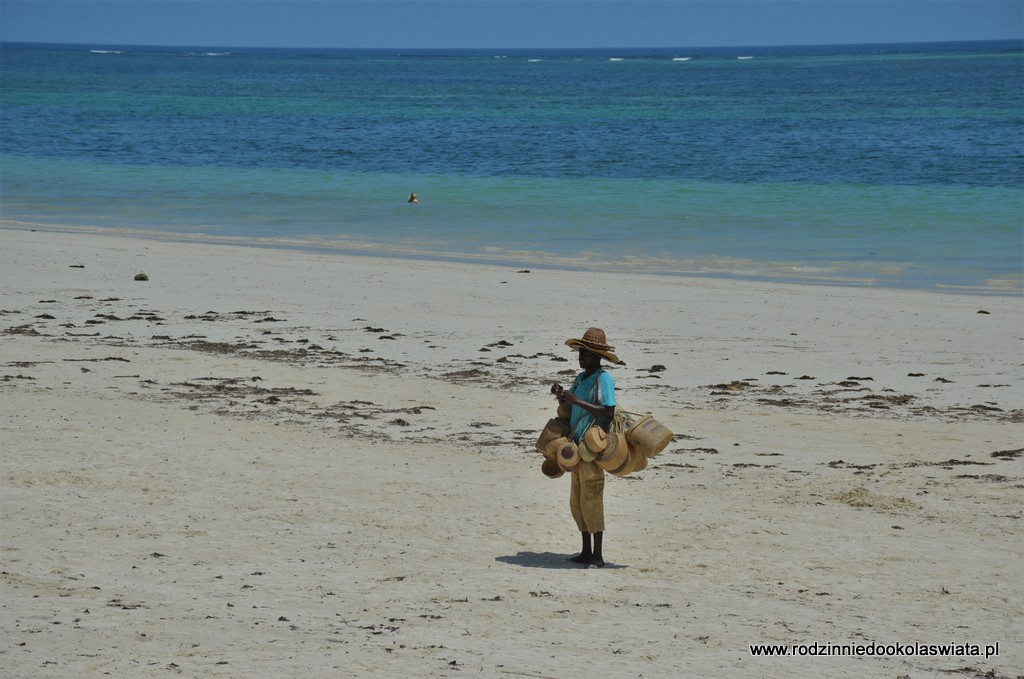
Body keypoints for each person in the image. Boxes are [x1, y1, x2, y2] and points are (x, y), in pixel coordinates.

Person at [550, 327, 619, 567]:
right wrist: (562, 398)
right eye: (581, 352)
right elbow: (573, 409)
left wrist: (575, 400)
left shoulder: (604, 379)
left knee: (592, 498)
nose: (582, 357)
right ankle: (585, 551)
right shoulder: (580, 378)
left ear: (598, 357)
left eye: (587, 354)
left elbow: (608, 411)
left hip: (592, 447)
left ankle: (597, 556)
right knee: (577, 500)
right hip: (576, 447)